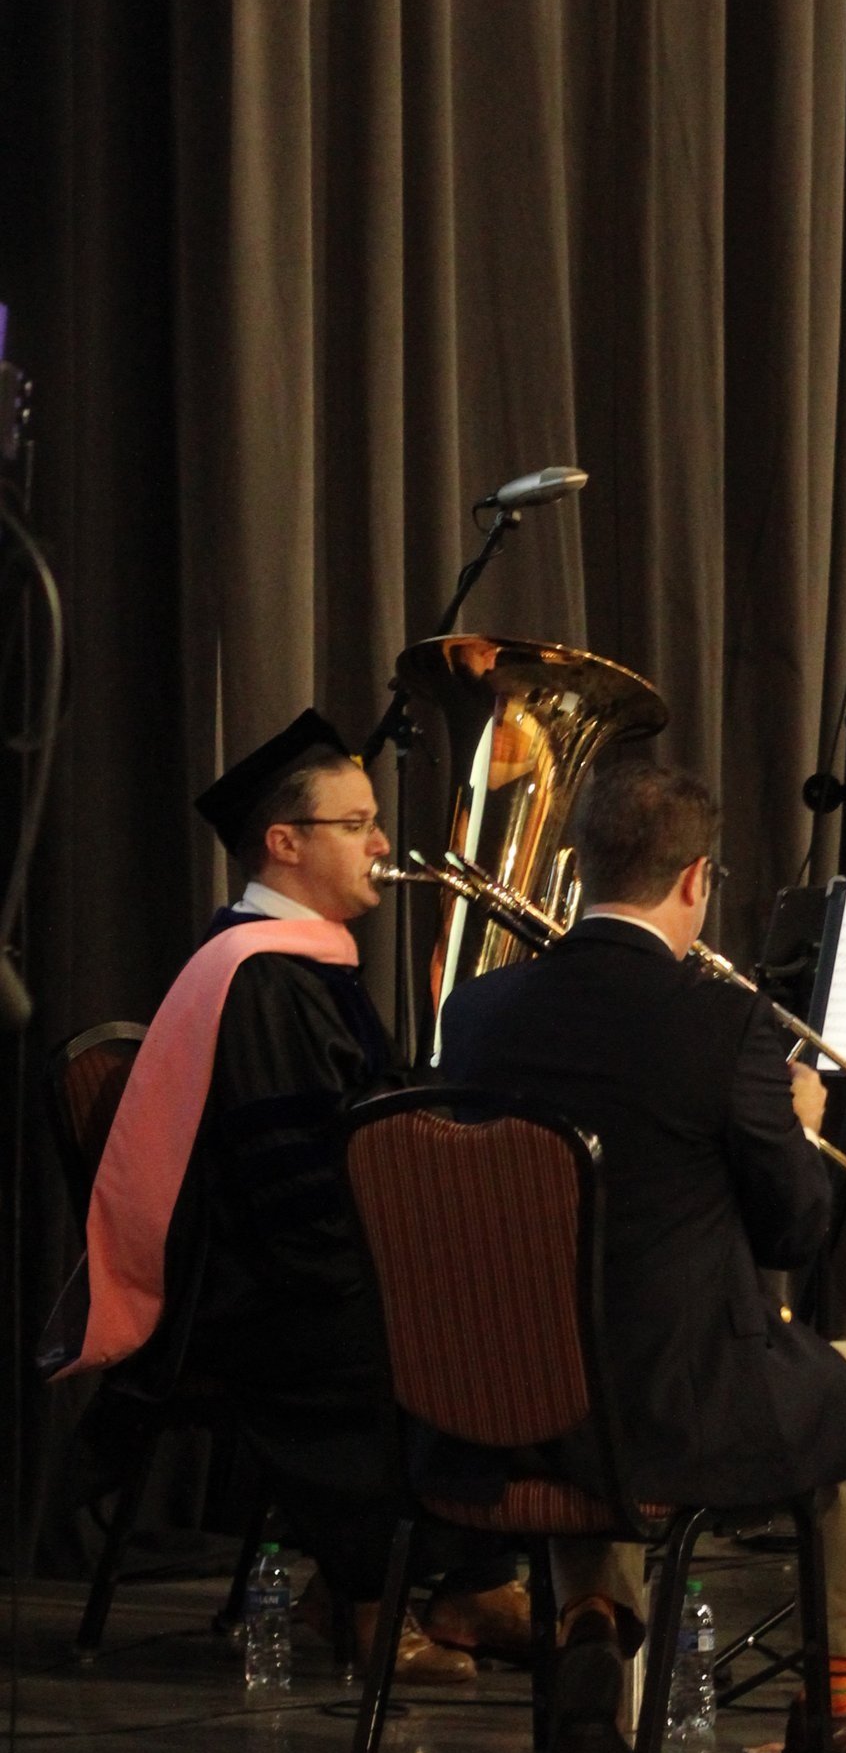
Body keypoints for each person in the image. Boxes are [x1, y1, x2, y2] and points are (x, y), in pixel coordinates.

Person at [439, 749, 846, 1753]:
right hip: (678, 1417)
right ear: (695, 881)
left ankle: (590, 1614)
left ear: (579, 868)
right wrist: (799, 1129)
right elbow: (793, 1236)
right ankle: (844, 1703)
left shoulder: (477, 1014)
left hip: (502, 1411)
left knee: (599, 1340)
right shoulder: (730, 1026)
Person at [64, 712, 516, 1685]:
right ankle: (370, 1594)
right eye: (357, 824)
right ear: (286, 843)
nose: (384, 845)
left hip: (298, 1264)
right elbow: (295, 1188)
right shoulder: (261, 978)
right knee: (444, 1324)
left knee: (501, 1295)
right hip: (260, 1292)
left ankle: (469, 1576)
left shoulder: (297, 963)